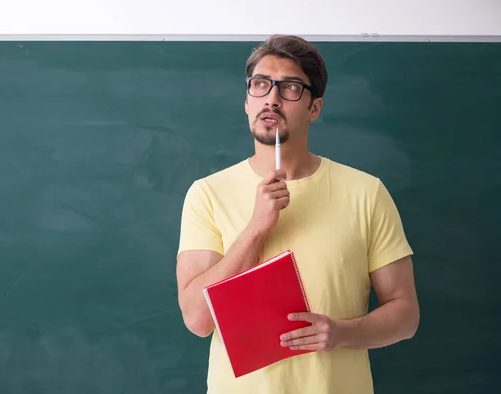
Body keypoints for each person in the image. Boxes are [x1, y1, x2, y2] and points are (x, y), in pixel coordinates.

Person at [175, 34, 420, 394]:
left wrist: (341, 333)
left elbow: (405, 315)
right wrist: (256, 229)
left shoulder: (366, 193)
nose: (271, 98)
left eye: (289, 88)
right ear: (246, 101)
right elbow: (197, 319)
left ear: (314, 108)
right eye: (260, 85)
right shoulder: (207, 194)